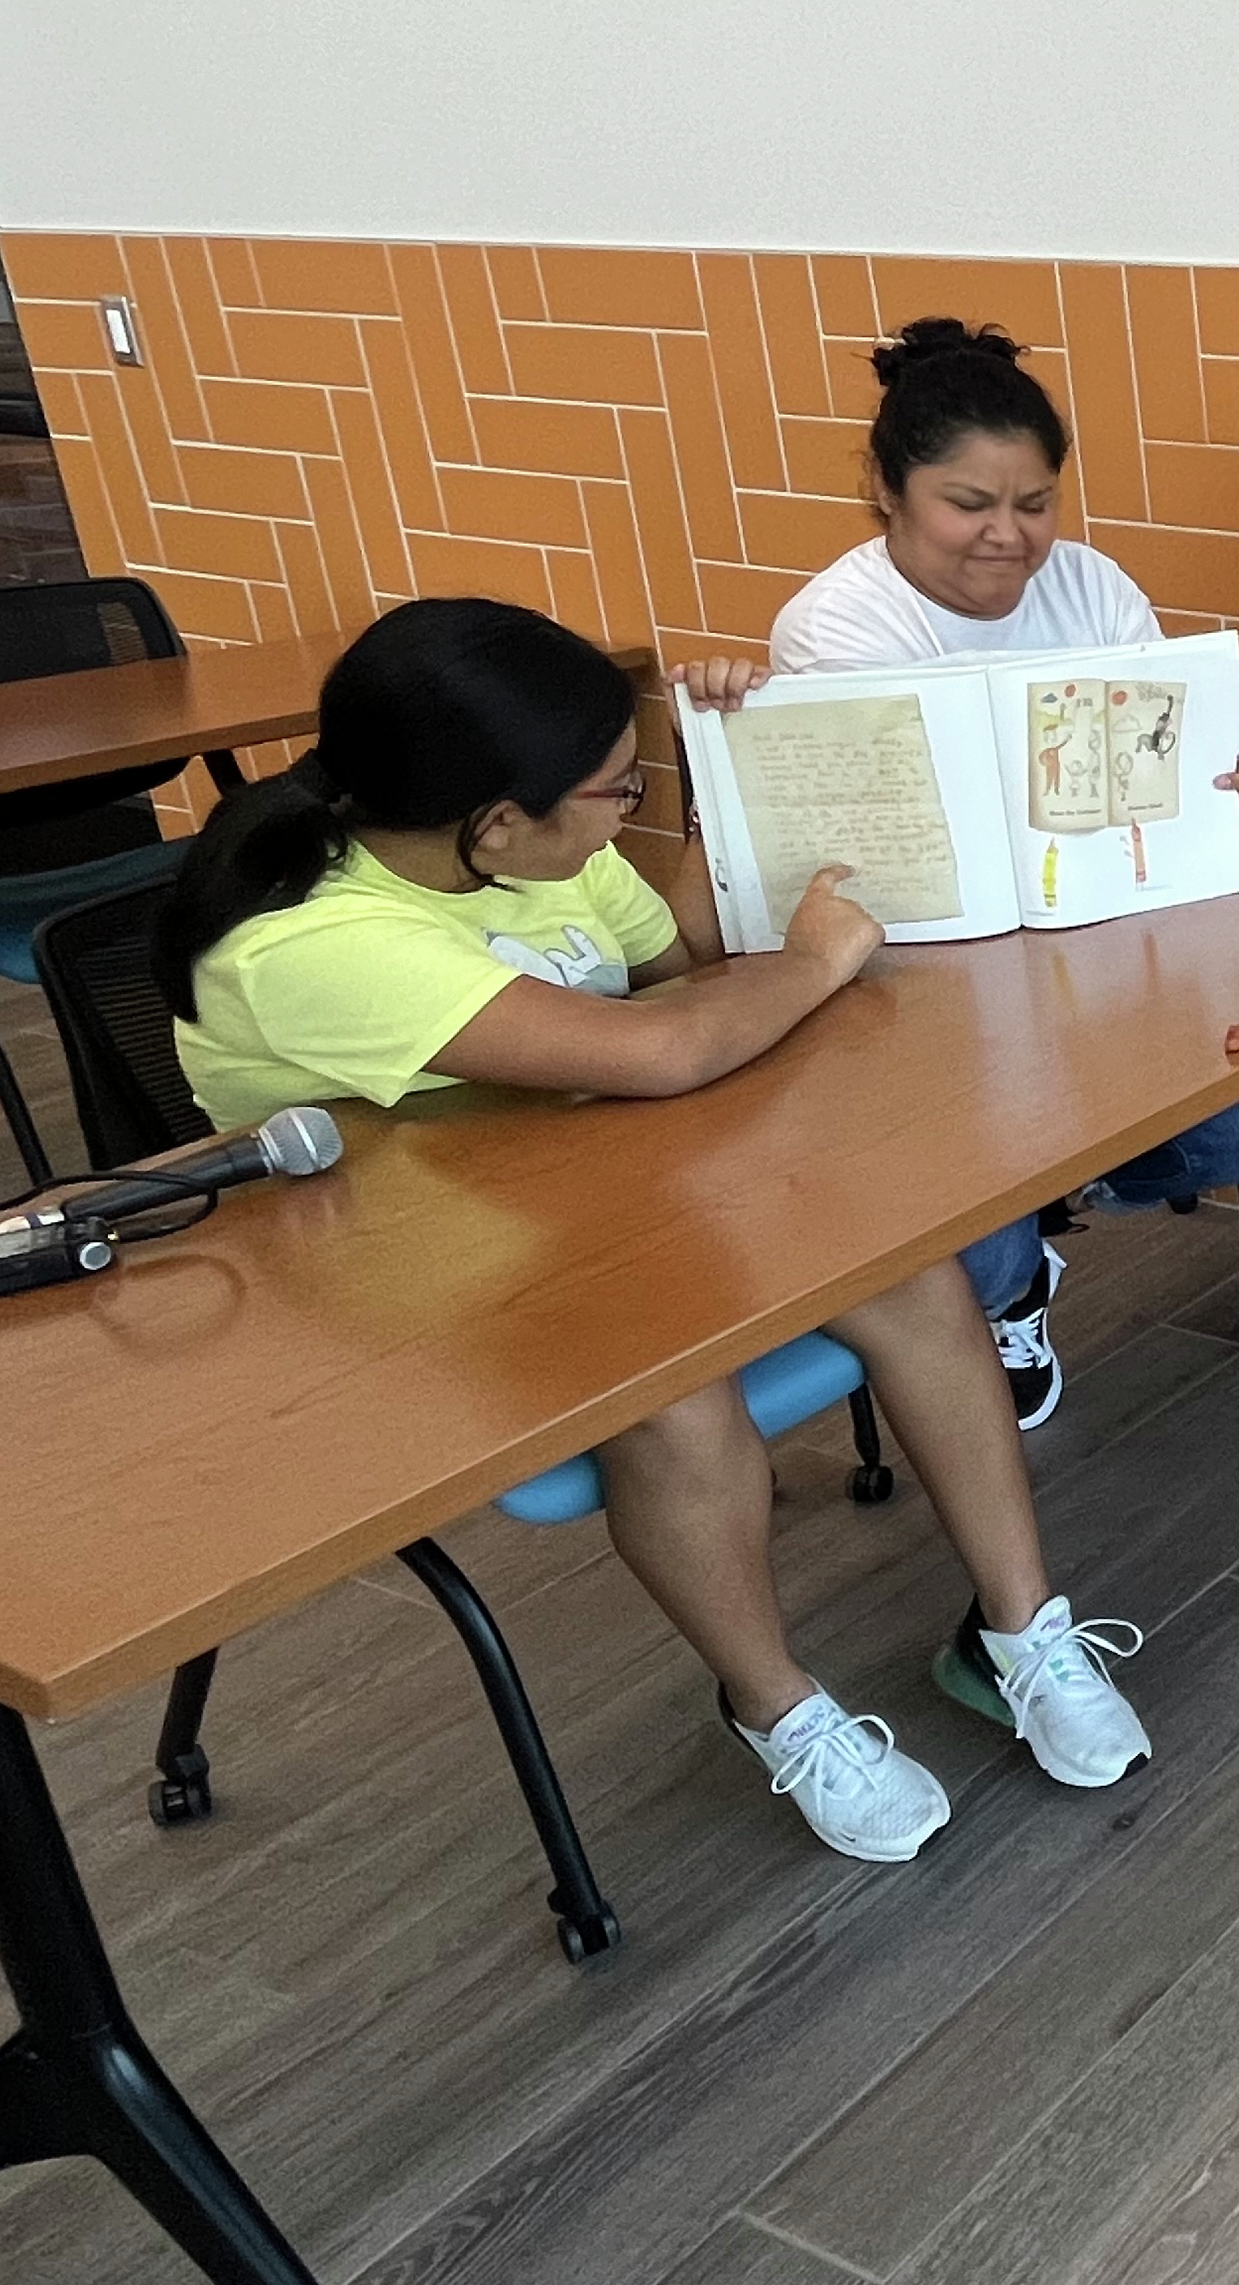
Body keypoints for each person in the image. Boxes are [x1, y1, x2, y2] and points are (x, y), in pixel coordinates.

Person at [157, 596, 1153, 1865]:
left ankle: (1018, 1631)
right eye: (616, 795)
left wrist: (715, 771)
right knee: (671, 1391)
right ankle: (772, 1705)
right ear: (497, 817)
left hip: (597, 1202)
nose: (627, 817)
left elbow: (678, 961)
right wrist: (818, 963)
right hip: (405, 1283)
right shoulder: (311, 941)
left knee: (901, 1265)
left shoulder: (517, 850)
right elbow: (671, 1046)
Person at [676, 318, 1239, 1431]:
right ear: (885, 487)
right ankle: (1015, 1273)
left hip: (1104, 971)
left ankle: (1050, 1185)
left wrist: (1227, 794)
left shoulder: (1096, 585)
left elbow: (1157, 778)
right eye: (968, 505)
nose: (1008, 539)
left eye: (1035, 504)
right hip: (922, 1002)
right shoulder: (838, 626)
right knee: (966, 1261)